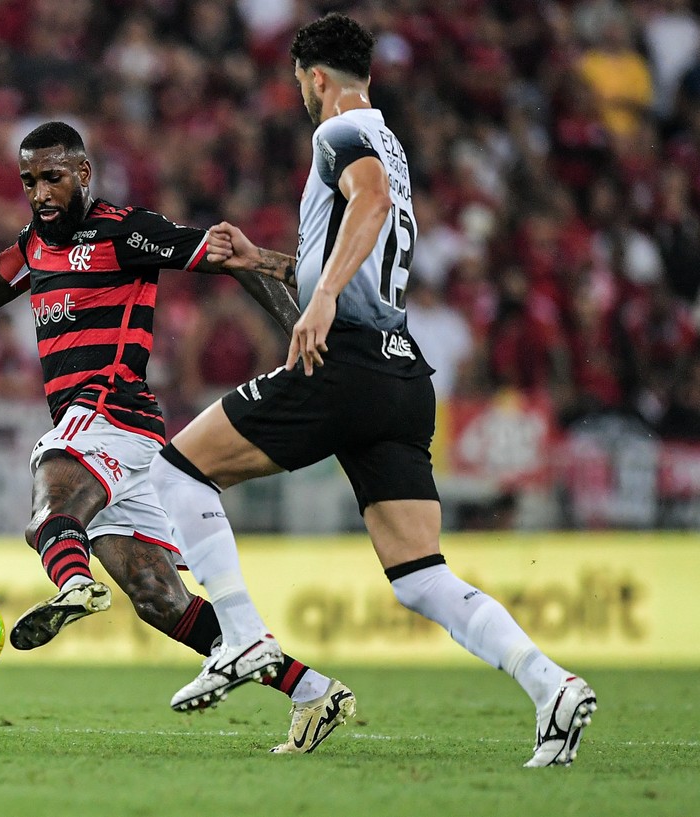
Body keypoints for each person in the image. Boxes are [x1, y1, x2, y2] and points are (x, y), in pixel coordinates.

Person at [149, 13, 597, 768]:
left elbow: (371, 202)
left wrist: (320, 300)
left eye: (299, 82)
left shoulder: (339, 134)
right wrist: (264, 263)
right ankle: (550, 684)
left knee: (176, 470)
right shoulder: (391, 140)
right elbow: (354, 241)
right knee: (420, 575)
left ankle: (243, 634)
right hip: (398, 371)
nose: (298, 94)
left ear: (316, 78)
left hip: (348, 367)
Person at [0, 120, 349, 753]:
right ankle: (311, 690)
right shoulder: (35, 244)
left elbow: (225, 256)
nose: (41, 192)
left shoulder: (124, 230)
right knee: (160, 599)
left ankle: (74, 583)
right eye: (28, 182)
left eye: (52, 177)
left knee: (48, 504)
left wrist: (301, 333)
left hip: (111, 409)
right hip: (110, 432)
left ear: (82, 174)